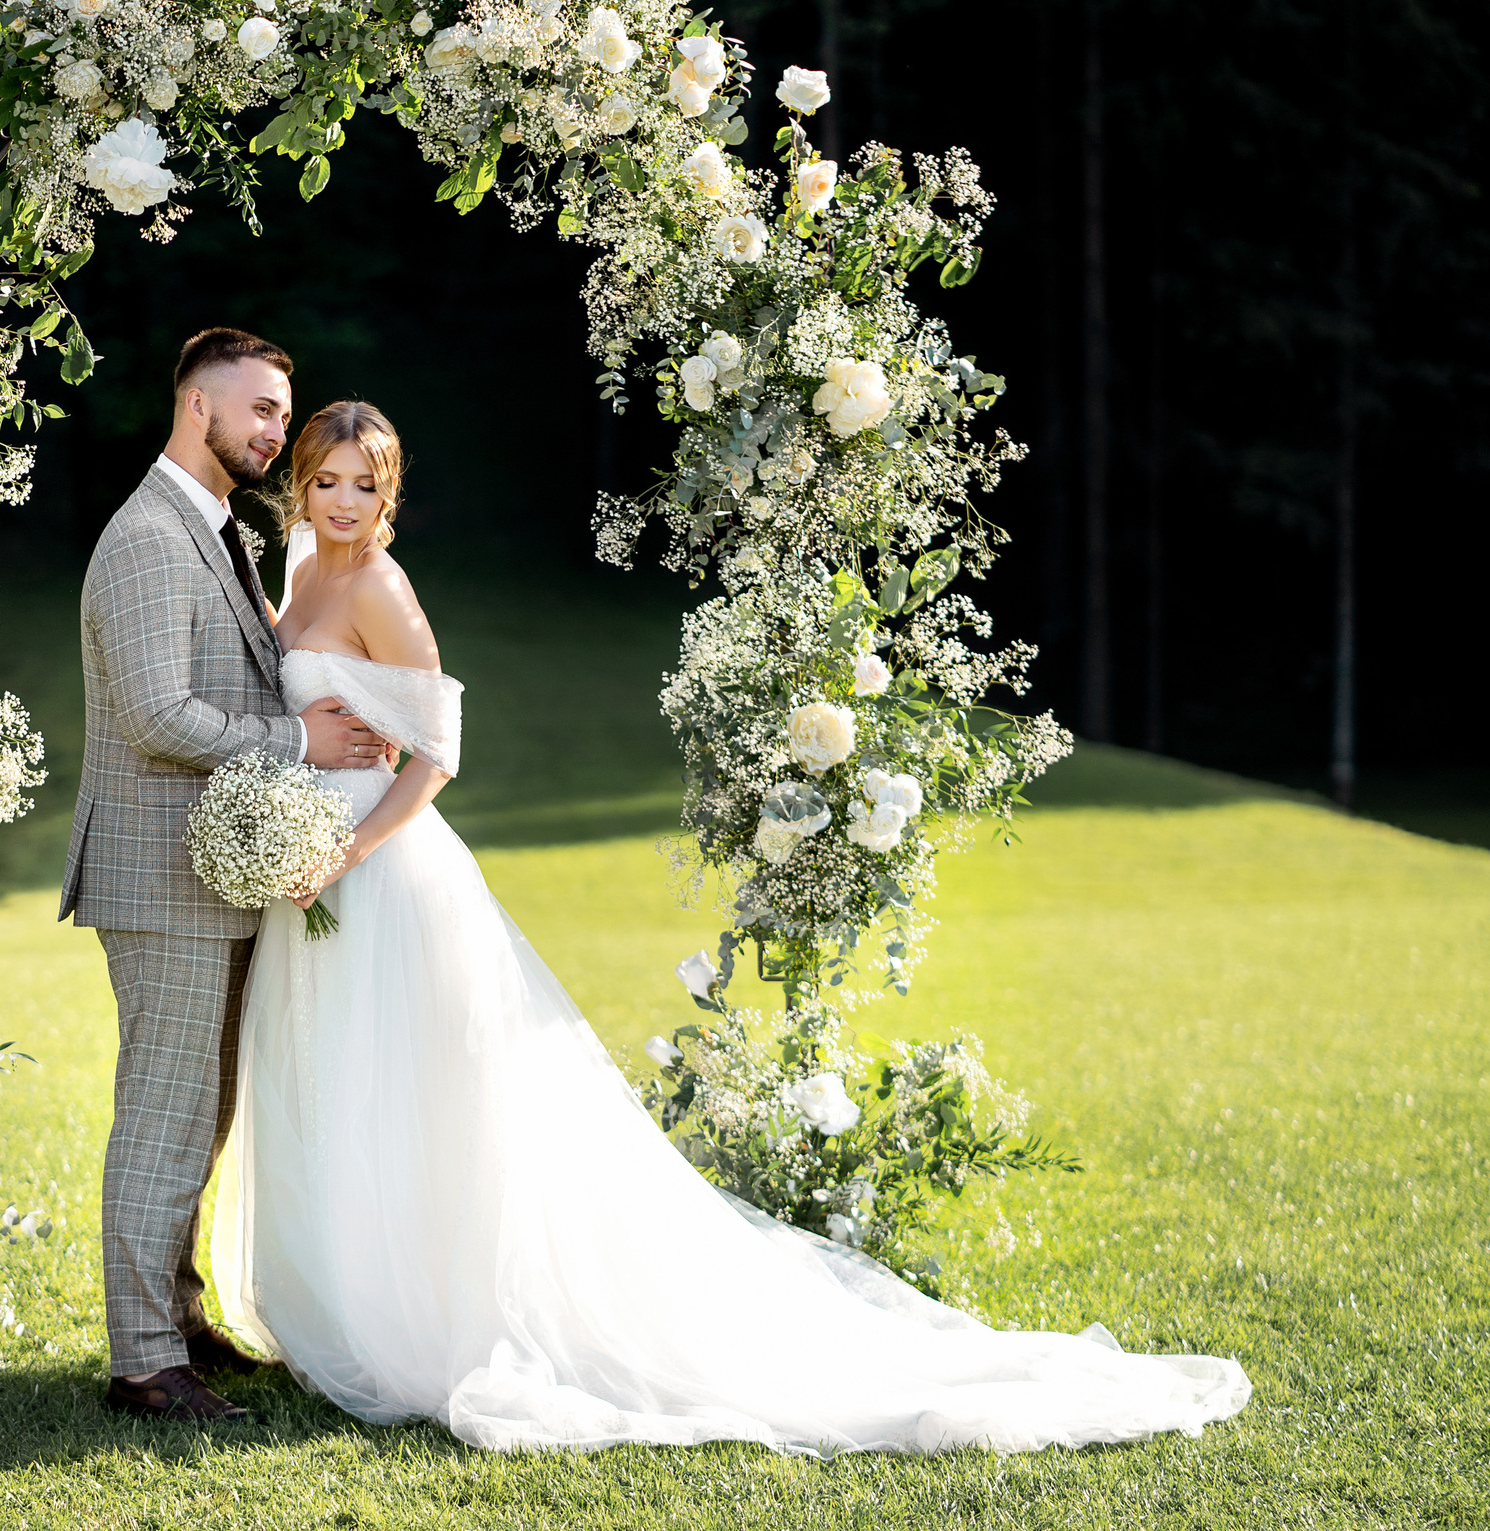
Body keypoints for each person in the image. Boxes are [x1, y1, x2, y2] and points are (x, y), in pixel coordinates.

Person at [207, 399, 1255, 1454]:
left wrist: (344, 852)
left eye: (365, 485)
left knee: (418, 1097)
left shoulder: (382, 584)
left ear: (389, 494)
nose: (343, 503)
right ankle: (346, 1308)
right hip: (312, 875)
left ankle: (427, 1318)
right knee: (335, 1080)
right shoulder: (301, 571)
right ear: (301, 483)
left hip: (379, 876)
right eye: (328, 481)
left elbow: (437, 752)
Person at [61, 328, 389, 1425]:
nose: (271, 433)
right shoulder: (151, 537)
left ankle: (181, 1318)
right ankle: (143, 1365)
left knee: (199, 1113)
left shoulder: (218, 529)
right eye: (254, 410)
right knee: (162, 1113)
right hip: (156, 875)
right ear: (193, 404)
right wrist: (300, 747)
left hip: (211, 873)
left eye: (276, 414)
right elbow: (156, 714)